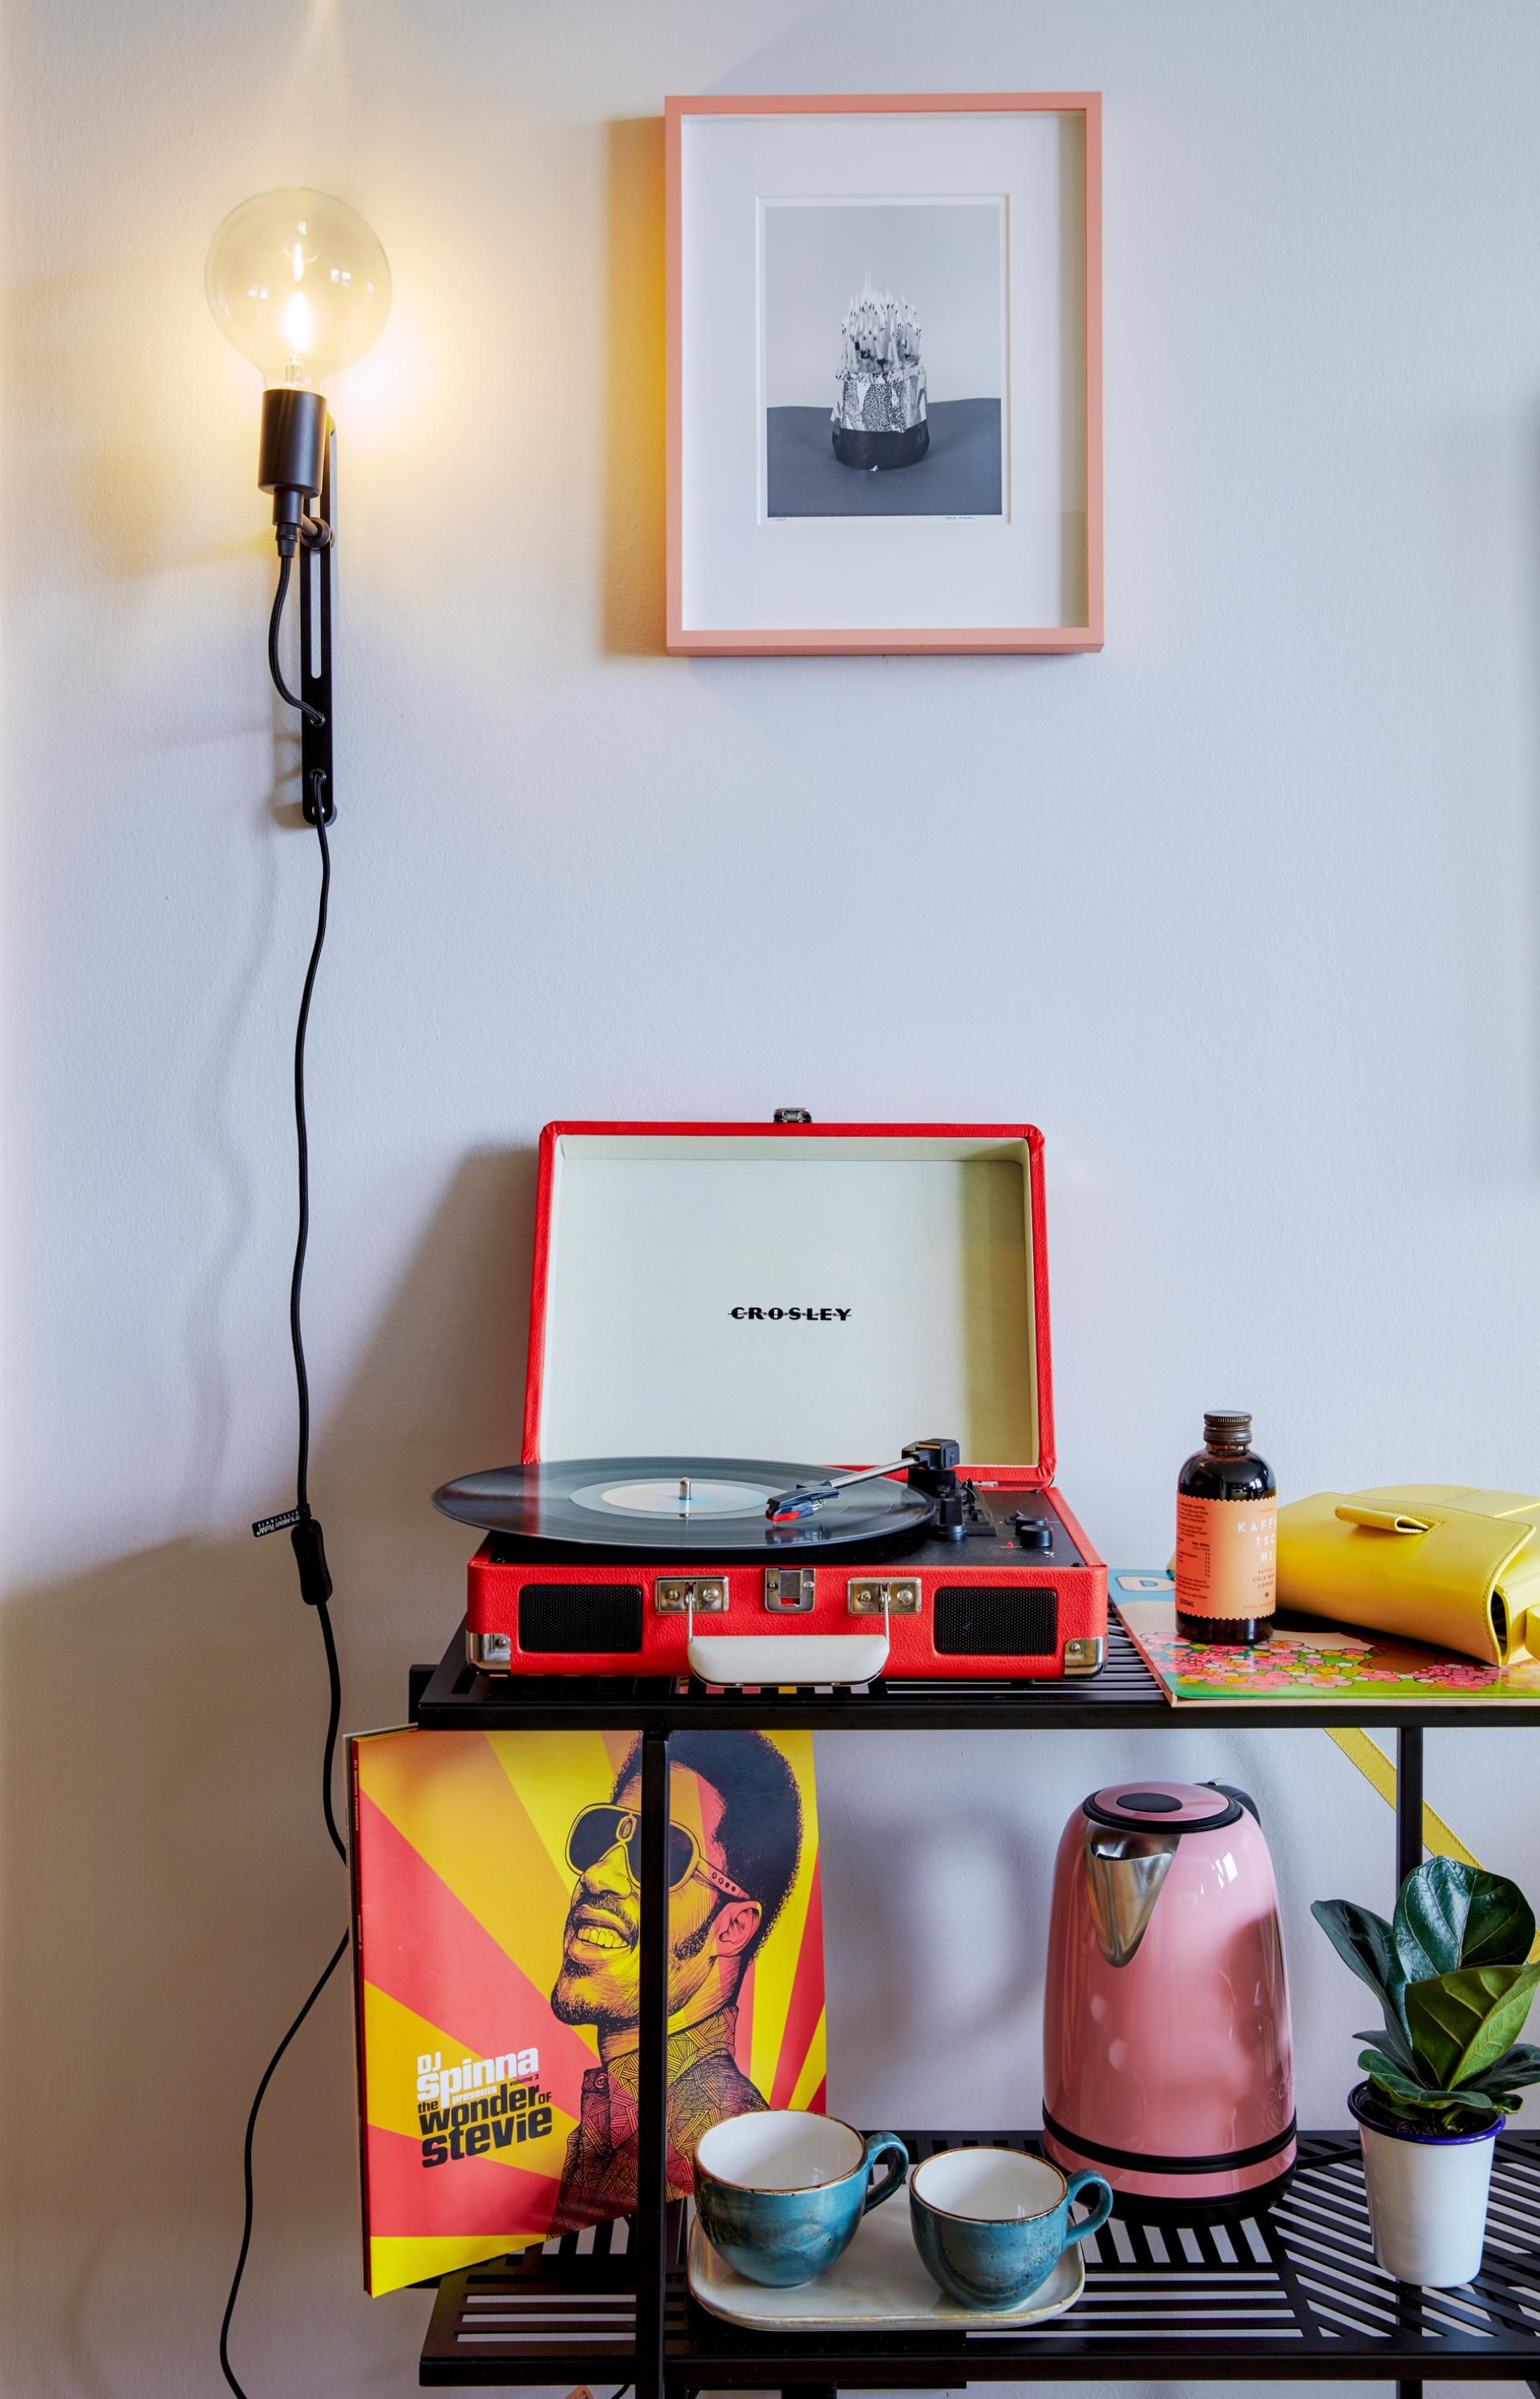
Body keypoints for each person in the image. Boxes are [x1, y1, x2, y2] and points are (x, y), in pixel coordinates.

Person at [547, 1729, 802, 2232]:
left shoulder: (704, 2139)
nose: (598, 1875)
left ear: (731, 1928)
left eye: (659, 1854)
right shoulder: (620, 2116)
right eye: (603, 1836)